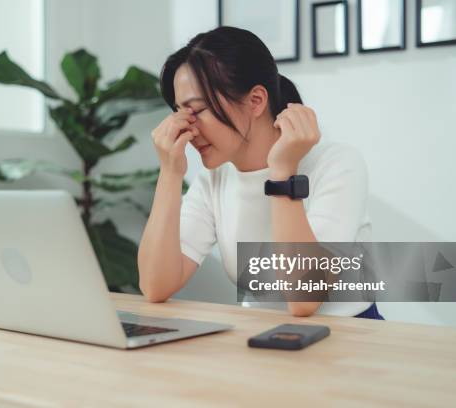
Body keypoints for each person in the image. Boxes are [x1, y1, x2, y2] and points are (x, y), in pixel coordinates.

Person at [138, 26, 383, 319]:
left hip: (349, 341)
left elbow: (304, 299)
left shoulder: (338, 163)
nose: (187, 128)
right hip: (260, 336)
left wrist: (282, 173)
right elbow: (155, 286)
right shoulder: (213, 180)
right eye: (180, 111)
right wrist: (169, 173)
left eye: (197, 110)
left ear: (256, 100)